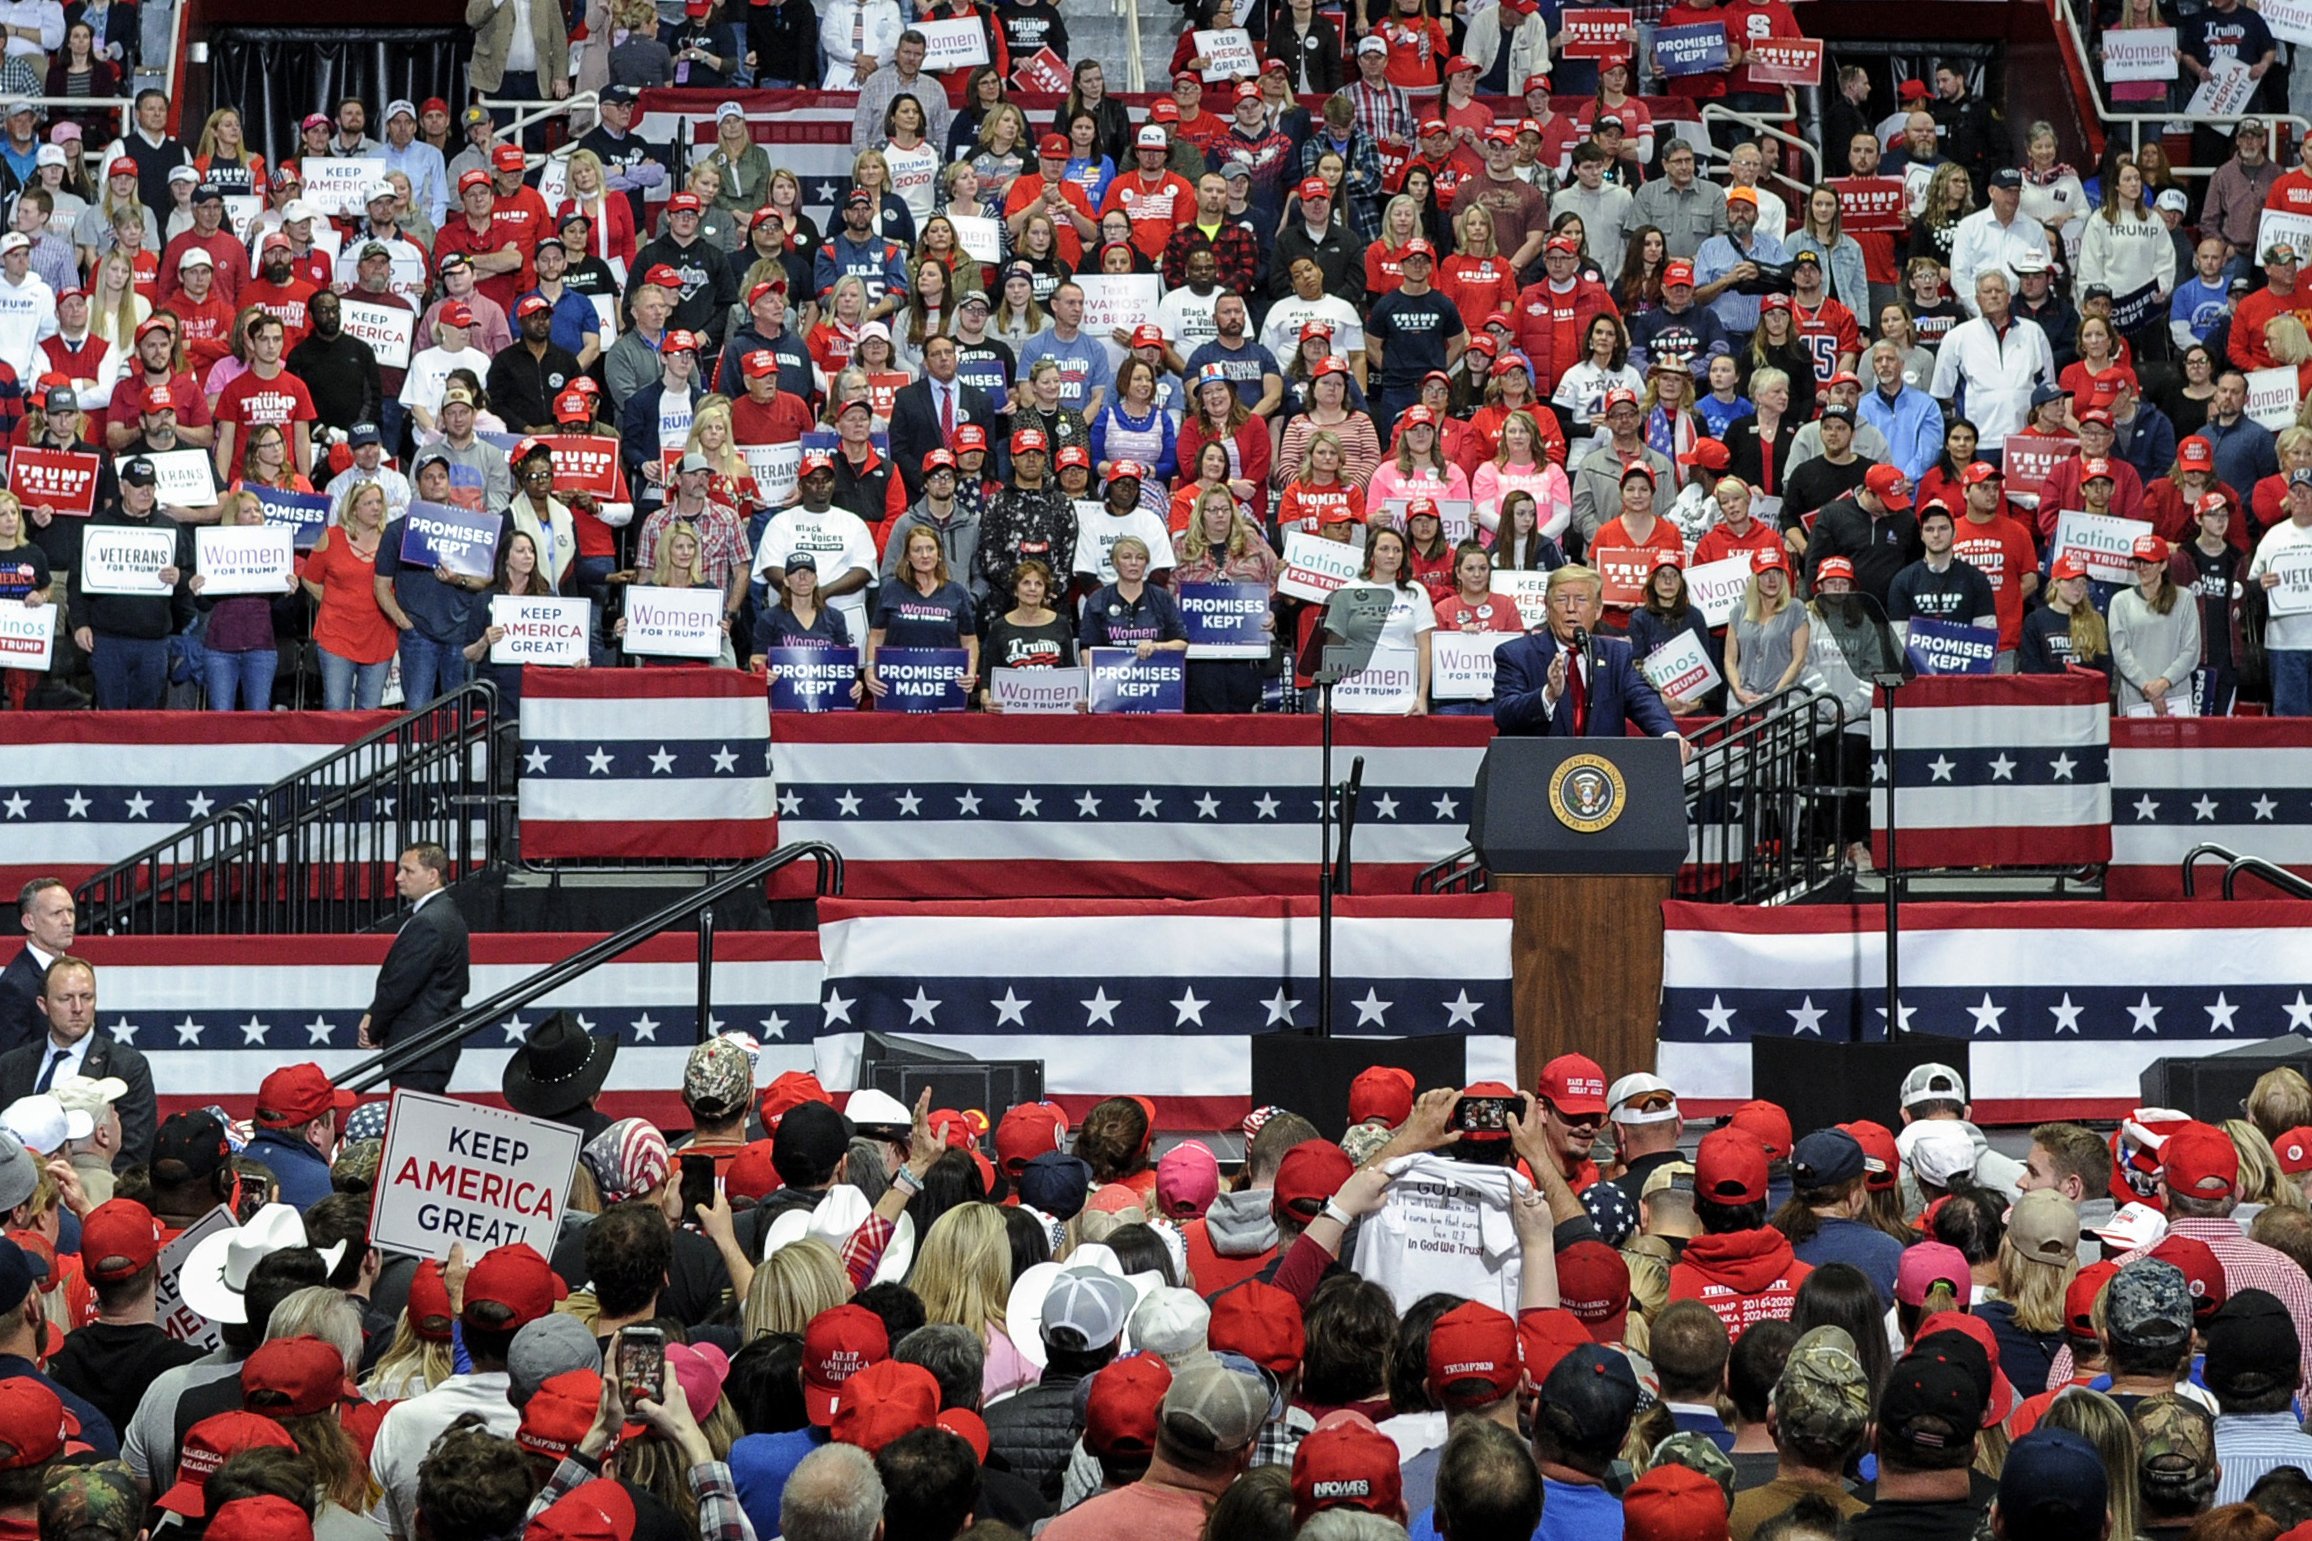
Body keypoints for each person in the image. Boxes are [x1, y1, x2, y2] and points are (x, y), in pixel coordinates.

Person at [1494, 564, 1685, 752]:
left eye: (1581, 600)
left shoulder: (1617, 655)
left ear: (1599, 609)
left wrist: (1668, 735)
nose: (1571, 608)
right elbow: (1504, 713)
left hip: (1600, 772)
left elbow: (1643, 700)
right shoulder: (1515, 654)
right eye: (1561, 600)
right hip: (1537, 771)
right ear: (1548, 608)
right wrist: (1548, 695)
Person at [0, 955, 153, 1167]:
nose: (78, 1008)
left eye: (87, 997)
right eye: (66, 999)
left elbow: (134, 1151)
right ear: (43, 1005)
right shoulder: (11, 1066)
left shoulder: (126, 1066)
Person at [354, 843, 471, 1097]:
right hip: (426, 1049)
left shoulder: (429, 921)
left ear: (432, 875)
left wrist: (375, 1028)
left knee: (414, 1131)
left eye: (408, 871)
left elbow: (400, 985)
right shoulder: (442, 914)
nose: (398, 878)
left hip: (419, 1050)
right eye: (399, 870)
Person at [2110, 534, 2203, 714]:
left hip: (2176, 697)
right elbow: (2121, 652)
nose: (2141, 568)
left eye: (2148, 562)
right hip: (2135, 697)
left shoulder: (2184, 598)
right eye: (2137, 562)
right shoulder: (2120, 601)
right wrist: (2147, 686)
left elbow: (2191, 650)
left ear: (2163, 565)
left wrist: (2164, 682)